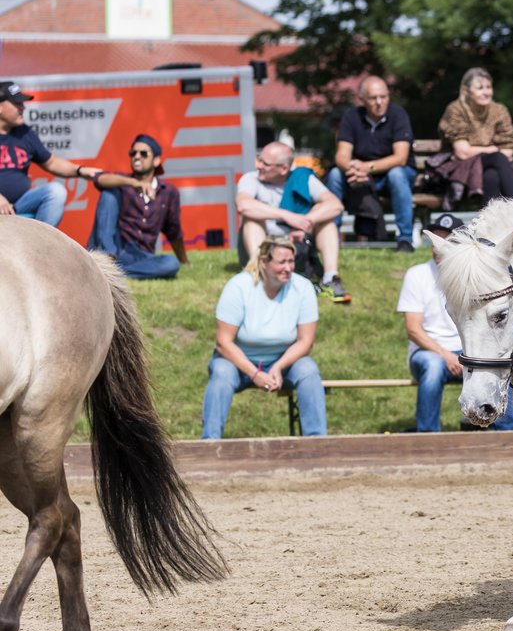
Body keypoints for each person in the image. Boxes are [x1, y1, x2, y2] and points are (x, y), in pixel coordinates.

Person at [398, 212, 513, 432]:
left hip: (467, 349)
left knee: (492, 361)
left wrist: (463, 356)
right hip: (429, 352)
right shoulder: (417, 274)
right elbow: (413, 330)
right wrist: (446, 355)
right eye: (438, 238)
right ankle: (426, 434)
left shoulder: (474, 275)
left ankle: (505, 431)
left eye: (449, 239)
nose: (438, 247)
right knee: (433, 367)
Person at [201, 236, 327, 439]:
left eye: (291, 261)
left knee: (308, 370)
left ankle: (317, 441)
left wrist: (278, 366)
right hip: (239, 362)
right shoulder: (239, 287)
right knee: (221, 373)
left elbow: (306, 341)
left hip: (284, 361)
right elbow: (223, 343)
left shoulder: (303, 288)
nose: (288, 267)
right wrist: (255, 373)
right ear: (264, 262)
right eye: (281, 262)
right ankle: (209, 442)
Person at [237, 141, 351, 302]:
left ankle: (330, 278)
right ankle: (260, 274)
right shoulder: (250, 179)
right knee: (251, 220)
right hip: (265, 247)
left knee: (327, 222)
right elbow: (243, 205)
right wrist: (286, 216)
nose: (259, 166)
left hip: (298, 246)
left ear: (284, 168)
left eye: (265, 163)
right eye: (259, 160)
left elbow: (335, 205)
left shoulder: (302, 178)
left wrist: (306, 223)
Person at [325, 76, 417, 252]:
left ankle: (405, 239)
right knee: (336, 174)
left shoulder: (398, 114)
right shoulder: (351, 117)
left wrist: (367, 168)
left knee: (397, 174)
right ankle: (331, 237)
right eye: (373, 98)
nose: (379, 102)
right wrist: (353, 168)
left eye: (384, 97)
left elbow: (401, 158)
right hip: (360, 175)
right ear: (362, 100)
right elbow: (341, 155)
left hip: (394, 176)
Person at [0, 80, 101, 226]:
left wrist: (80, 171)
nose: (23, 107)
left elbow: (51, 162)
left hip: (18, 206)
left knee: (56, 192)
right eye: (17, 103)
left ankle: (39, 245)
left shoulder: (25, 133)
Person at [87, 134, 187, 279]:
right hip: (115, 247)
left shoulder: (169, 192)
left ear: (156, 160)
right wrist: (134, 183)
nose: (137, 156)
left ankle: (114, 273)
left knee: (171, 264)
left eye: (143, 153)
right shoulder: (122, 181)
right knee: (109, 192)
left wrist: (184, 261)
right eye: (133, 153)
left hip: (140, 256)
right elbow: (100, 179)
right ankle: (106, 260)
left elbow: (174, 230)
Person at [439, 68, 513, 206]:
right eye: (480, 88)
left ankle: (488, 223)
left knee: (492, 176)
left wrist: (487, 151)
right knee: (497, 158)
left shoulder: (499, 110)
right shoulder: (456, 109)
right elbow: (463, 152)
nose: (486, 92)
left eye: (488, 87)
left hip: (494, 167)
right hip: (462, 169)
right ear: (466, 91)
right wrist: (494, 149)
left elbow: (508, 150)